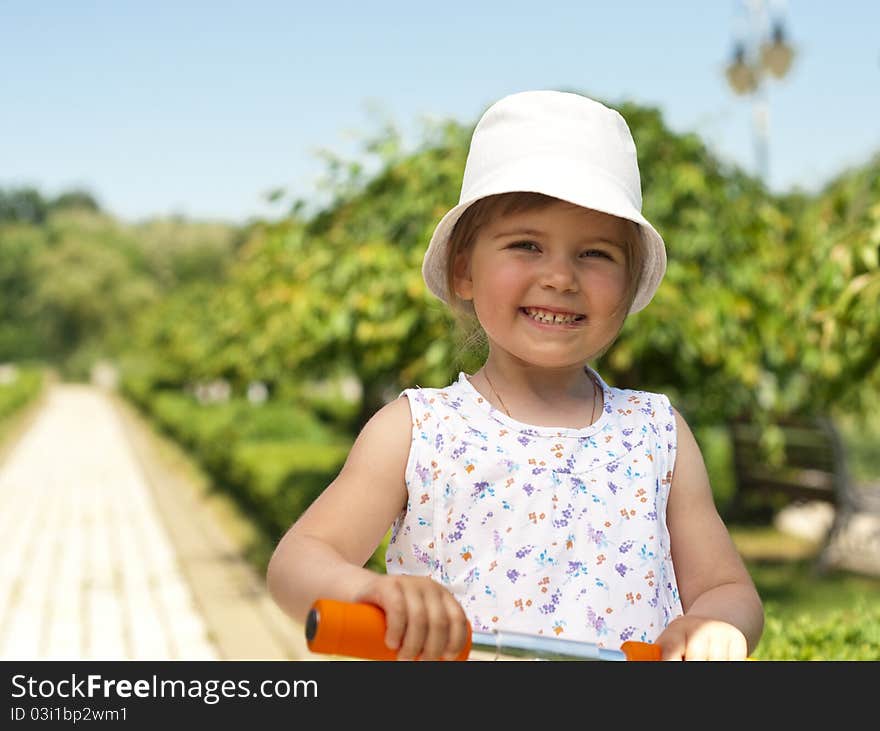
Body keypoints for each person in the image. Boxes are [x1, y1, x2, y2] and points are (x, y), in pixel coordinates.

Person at [267, 89, 764, 661]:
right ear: (464, 271)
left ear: (630, 288)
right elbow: (298, 560)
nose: (559, 277)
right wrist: (372, 591)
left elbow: (728, 589)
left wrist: (716, 627)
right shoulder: (419, 430)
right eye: (526, 245)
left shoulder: (656, 433)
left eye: (596, 254)